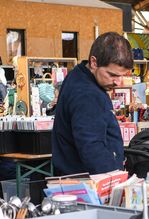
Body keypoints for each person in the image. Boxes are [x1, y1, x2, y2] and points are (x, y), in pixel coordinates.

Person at [52, 32, 133, 175]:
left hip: (75, 178)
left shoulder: (77, 76)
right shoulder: (88, 94)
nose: (118, 82)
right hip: (89, 183)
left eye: (122, 75)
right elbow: (92, 147)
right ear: (94, 62)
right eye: (112, 74)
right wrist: (113, 180)